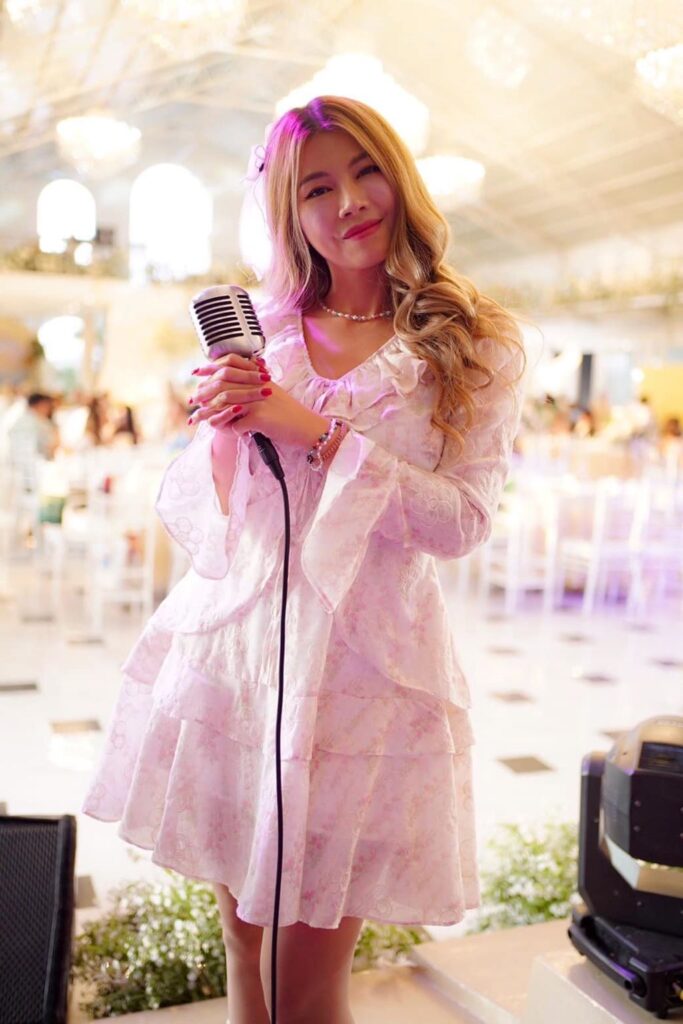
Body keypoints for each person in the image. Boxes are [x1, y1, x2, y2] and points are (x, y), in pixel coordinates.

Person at [81, 96, 524, 1024]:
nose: (348, 202)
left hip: (365, 676)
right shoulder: (268, 329)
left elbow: (462, 521)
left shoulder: (472, 339)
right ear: (288, 212)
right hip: (239, 661)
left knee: (308, 977)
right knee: (245, 951)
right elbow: (221, 518)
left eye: (364, 171)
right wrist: (225, 425)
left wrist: (316, 431)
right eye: (316, 188)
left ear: (398, 175)